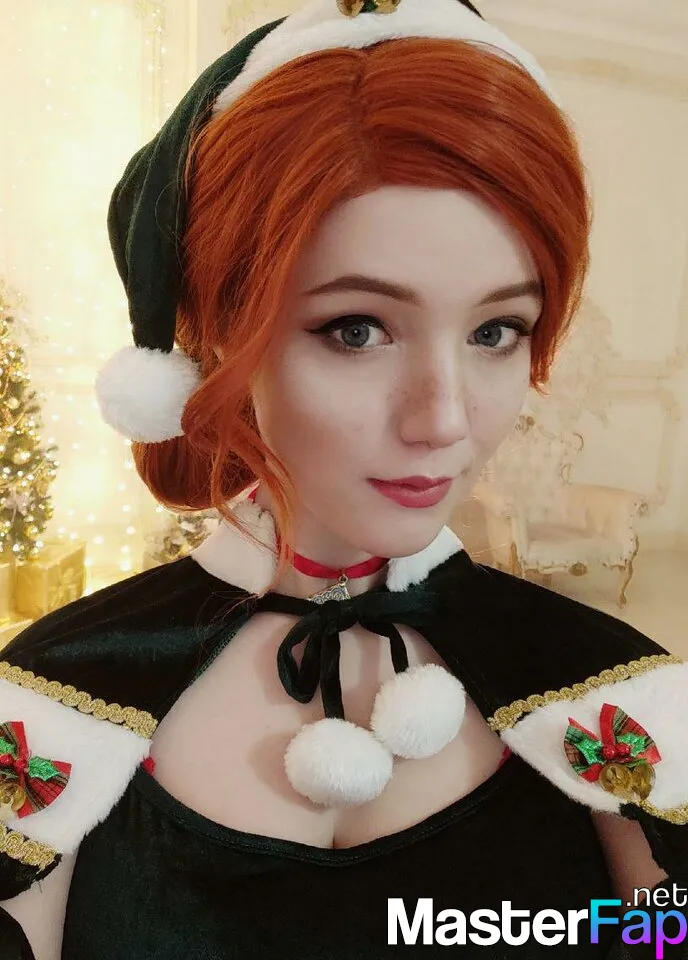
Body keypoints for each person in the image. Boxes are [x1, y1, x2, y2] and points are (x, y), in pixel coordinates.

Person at [1, 0, 687, 956]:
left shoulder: (613, 696)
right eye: (356, 329)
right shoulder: (51, 701)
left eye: (497, 331)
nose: (445, 419)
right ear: (216, 334)